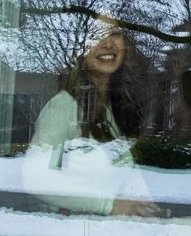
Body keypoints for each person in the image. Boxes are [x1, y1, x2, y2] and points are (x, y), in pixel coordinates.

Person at [26, 15, 161, 218]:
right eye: (96, 35)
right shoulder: (64, 106)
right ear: (81, 48)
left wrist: (147, 208)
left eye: (115, 34)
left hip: (116, 232)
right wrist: (107, 205)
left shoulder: (111, 109)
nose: (108, 44)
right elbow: (36, 178)